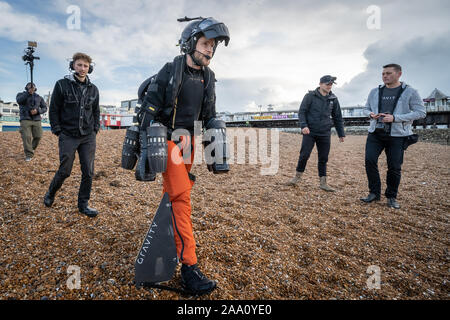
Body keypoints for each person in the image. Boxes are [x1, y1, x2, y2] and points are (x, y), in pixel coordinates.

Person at [138, 17, 230, 295]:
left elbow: (210, 115)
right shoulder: (169, 70)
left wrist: (216, 140)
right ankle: (189, 267)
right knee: (181, 198)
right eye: (205, 44)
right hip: (165, 140)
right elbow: (148, 110)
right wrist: (144, 153)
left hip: (188, 141)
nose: (210, 50)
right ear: (190, 43)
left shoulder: (209, 77)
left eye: (213, 46)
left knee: (178, 192)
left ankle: (165, 241)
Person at [360, 64, 426, 209]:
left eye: (388, 73)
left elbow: (421, 112)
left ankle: (391, 197)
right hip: (375, 132)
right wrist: (371, 114)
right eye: (383, 73)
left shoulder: (410, 92)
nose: (385, 76)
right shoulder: (374, 91)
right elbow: (366, 108)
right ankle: (374, 193)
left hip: (397, 135)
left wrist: (395, 118)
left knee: (394, 167)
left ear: (399, 74)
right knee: (369, 161)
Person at [44, 52, 100, 218]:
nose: (82, 68)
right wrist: (57, 130)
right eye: (79, 65)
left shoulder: (94, 89)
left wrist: (95, 128)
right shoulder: (61, 85)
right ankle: (50, 193)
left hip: (88, 136)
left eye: (86, 66)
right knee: (65, 170)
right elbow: (53, 109)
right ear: (73, 66)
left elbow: (96, 111)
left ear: (89, 69)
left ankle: (83, 205)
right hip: (68, 134)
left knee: (88, 172)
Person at [287, 75, 345, 191]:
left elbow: (337, 117)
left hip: (325, 132)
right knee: (304, 155)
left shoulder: (333, 99)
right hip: (310, 131)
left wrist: (341, 133)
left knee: (323, 158)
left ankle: (323, 183)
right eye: (327, 83)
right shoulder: (310, 96)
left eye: (331, 84)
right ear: (320, 84)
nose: (329, 86)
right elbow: (302, 112)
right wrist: (303, 126)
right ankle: (297, 178)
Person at [16, 82, 47, 161]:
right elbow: (19, 101)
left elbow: (44, 108)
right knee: (26, 137)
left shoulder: (39, 97)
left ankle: (31, 148)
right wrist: (28, 93)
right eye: (29, 86)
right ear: (26, 88)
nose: (31, 88)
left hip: (36, 119)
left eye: (32, 87)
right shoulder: (21, 95)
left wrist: (38, 111)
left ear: (35, 88)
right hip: (25, 119)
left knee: (38, 136)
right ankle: (29, 154)